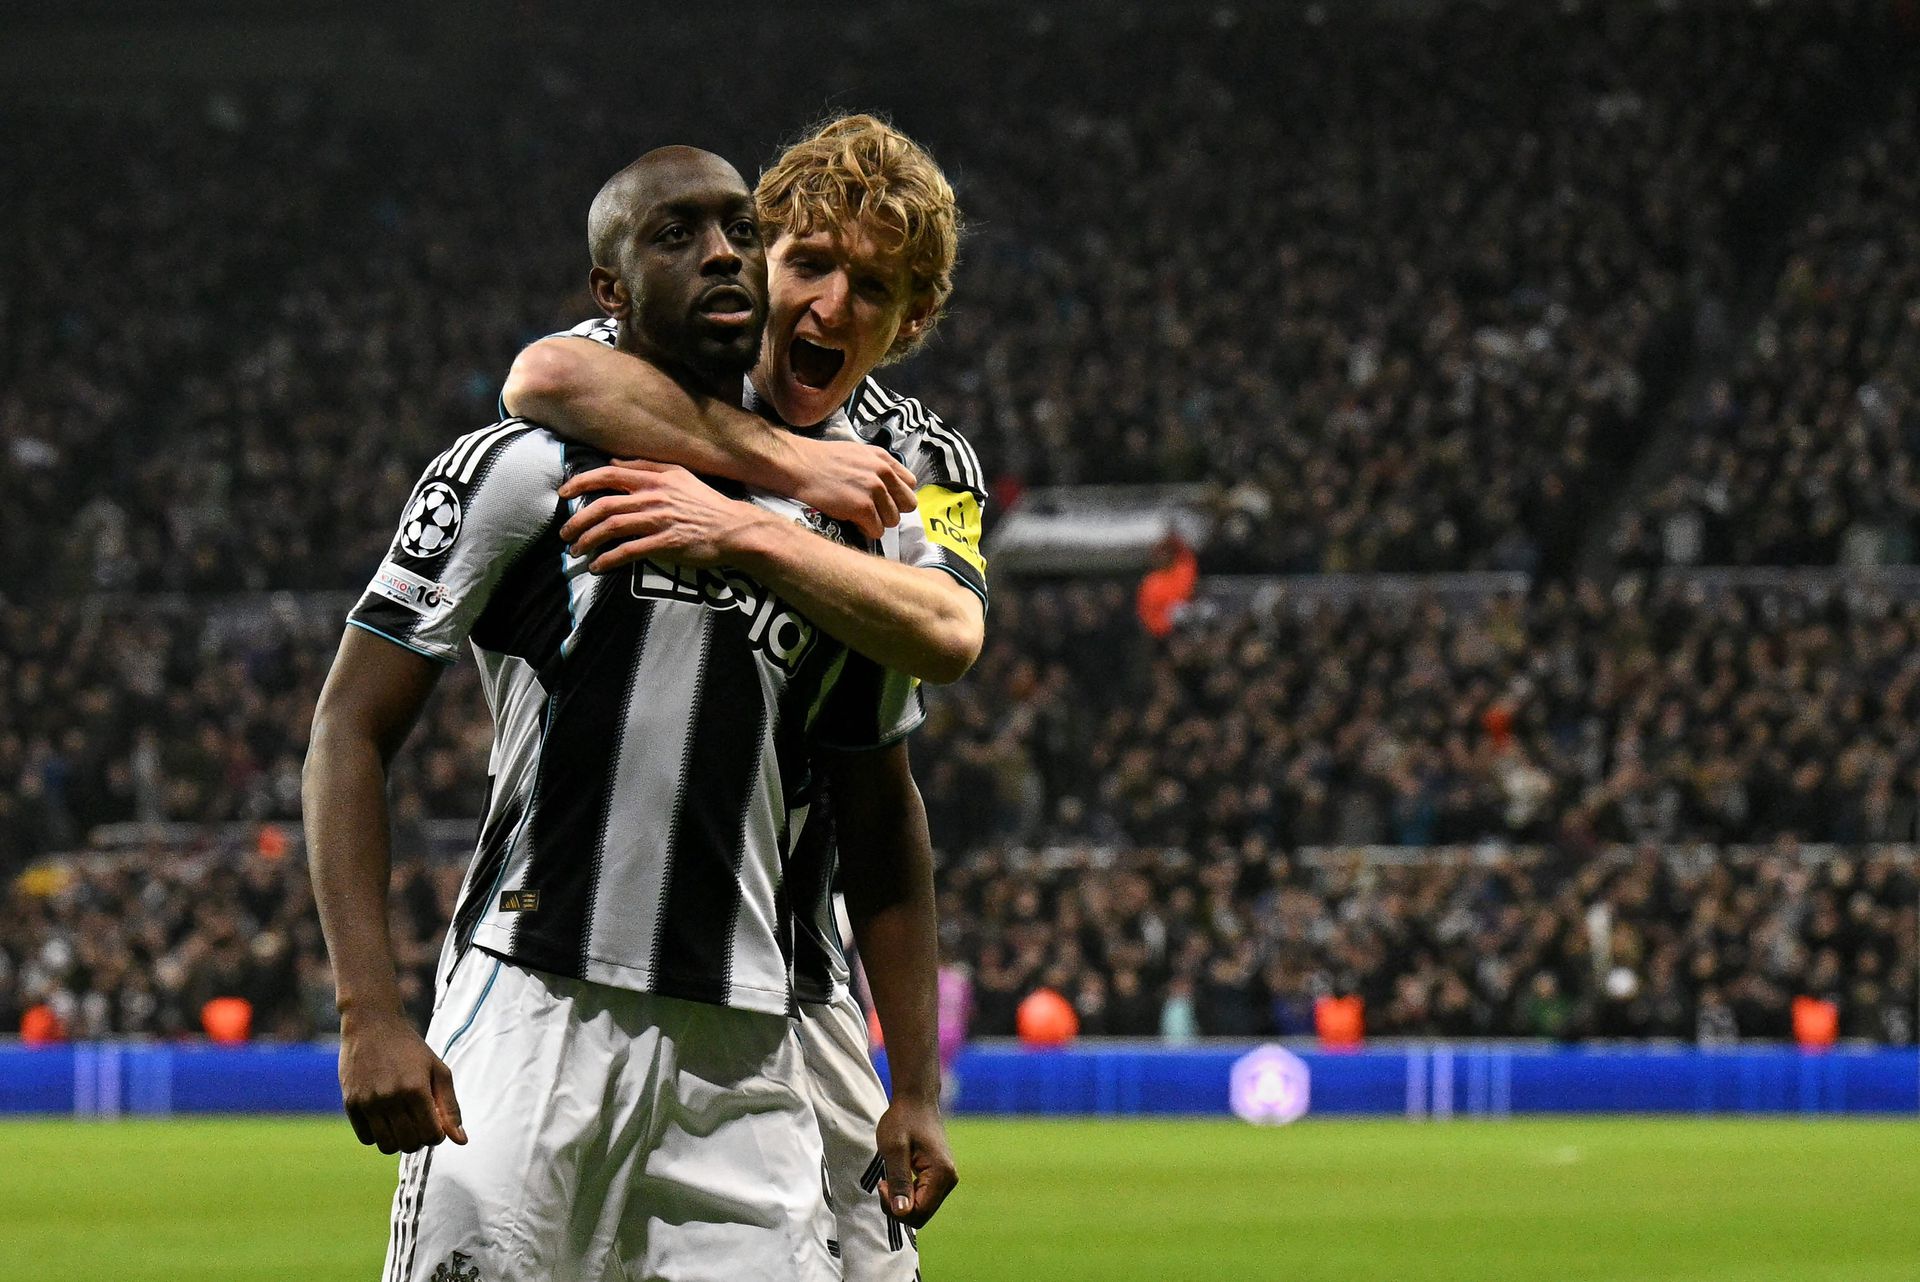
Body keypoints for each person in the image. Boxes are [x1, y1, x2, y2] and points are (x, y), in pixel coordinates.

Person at [305, 145, 941, 1282]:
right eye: (676, 236)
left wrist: (919, 1084)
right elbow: (348, 729)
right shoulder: (523, 467)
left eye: (741, 230)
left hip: (744, 1047)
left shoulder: (847, 521)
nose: (722, 255)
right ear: (611, 289)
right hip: (536, 1005)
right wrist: (368, 1009)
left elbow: (880, 804)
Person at [501, 114, 984, 1280]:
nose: (829, 306)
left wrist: (742, 531)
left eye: (874, 287)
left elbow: (949, 630)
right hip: (580, 957)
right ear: (761, 256)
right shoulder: (659, 369)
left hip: (796, 976)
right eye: (808, 262)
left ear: (913, 321)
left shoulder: (930, 466)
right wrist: (789, 467)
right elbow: (540, 374)